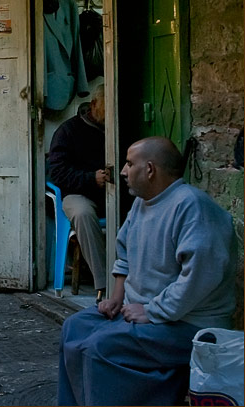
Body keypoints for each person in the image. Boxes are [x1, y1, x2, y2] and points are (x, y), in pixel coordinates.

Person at [57, 137, 235, 406]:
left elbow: (198, 278)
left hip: (188, 324)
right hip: (146, 314)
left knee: (101, 348)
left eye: (129, 163)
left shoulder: (192, 207)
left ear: (150, 169)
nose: (123, 171)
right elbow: (125, 255)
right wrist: (117, 298)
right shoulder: (142, 203)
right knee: (74, 328)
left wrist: (151, 311)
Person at [48, 84, 108, 299]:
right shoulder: (68, 131)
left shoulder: (117, 127)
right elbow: (58, 173)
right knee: (83, 213)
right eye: (106, 106)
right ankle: (105, 284)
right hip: (78, 192)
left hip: (112, 193)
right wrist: (91, 178)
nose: (111, 112)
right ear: (93, 105)